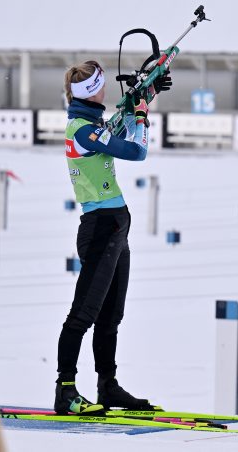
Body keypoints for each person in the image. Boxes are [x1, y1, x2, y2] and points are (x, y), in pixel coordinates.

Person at [55, 60, 171, 415]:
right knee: (83, 314)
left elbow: (116, 130)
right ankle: (66, 391)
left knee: (111, 316)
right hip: (101, 228)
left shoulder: (92, 123)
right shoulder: (82, 130)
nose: (105, 90)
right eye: (100, 86)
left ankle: (108, 385)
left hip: (115, 227)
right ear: (92, 92)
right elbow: (136, 150)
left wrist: (146, 94)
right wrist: (142, 117)